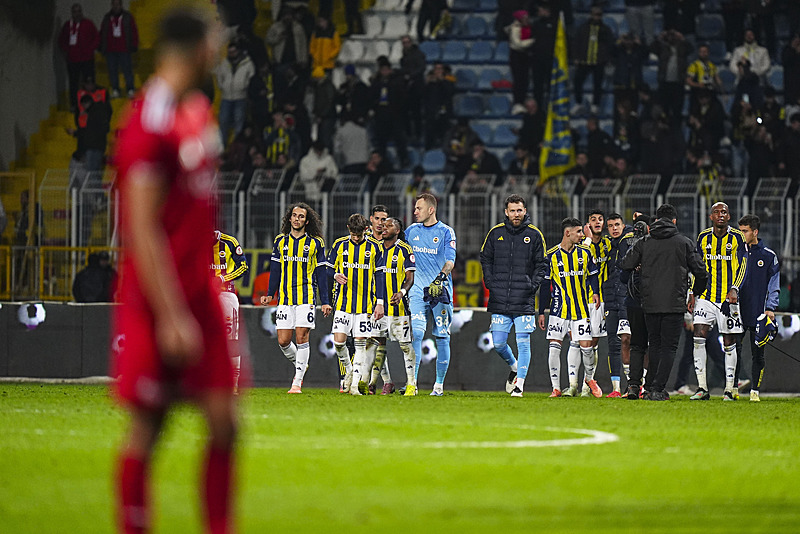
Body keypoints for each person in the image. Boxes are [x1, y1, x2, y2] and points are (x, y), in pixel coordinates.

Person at [111, 9, 237, 533]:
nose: (221, 45)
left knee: (225, 422)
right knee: (149, 426)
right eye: (216, 36)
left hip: (200, 293)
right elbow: (141, 227)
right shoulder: (148, 121)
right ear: (198, 45)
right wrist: (170, 314)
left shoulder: (198, 113)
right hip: (156, 299)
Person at [621, 204, 708, 401]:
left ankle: (648, 387)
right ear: (674, 221)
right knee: (669, 348)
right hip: (674, 304)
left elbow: (626, 264)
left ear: (657, 220)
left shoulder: (645, 242)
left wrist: (640, 267)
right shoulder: (684, 242)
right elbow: (702, 272)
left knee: (654, 345)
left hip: (649, 304)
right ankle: (657, 388)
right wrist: (694, 292)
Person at [480, 194, 547, 397]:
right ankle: (515, 367)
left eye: (519, 210)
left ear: (525, 211)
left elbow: (542, 264)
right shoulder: (495, 233)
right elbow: (485, 258)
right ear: (506, 212)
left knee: (523, 342)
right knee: (498, 343)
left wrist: (532, 285)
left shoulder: (534, 235)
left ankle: (520, 385)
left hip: (524, 298)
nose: (516, 214)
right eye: (512, 211)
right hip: (500, 298)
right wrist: (490, 283)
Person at [262, 203, 332, 393]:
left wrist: (325, 301)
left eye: (301, 216)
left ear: (306, 221)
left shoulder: (316, 243)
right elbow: (275, 270)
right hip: (285, 299)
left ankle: (297, 382)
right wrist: (270, 293)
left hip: (306, 297)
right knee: (283, 341)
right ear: (289, 218)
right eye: (294, 215)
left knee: (302, 336)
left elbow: (321, 273)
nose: (297, 219)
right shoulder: (280, 241)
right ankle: (301, 364)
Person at [538, 217, 602, 398]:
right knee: (554, 347)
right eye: (578, 231)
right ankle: (556, 388)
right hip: (558, 310)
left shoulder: (585, 252)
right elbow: (545, 285)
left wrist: (595, 292)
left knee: (587, 347)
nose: (582, 235)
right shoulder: (551, 255)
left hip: (580, 308)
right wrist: (542, 311)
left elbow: (593, 274)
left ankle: (589, 379)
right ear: (568, 233)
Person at [690, 202, 748, 401]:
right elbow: (697, 267)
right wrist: (692, 292)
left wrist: (735, 288)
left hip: (728, 299)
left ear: (729, 216)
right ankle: (702, 388)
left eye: (724, 212)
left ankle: (729, 389)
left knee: (729, 341)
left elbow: (743, 266)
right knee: (698, 336)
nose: (720, 215)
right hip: (706, 297)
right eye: (716, 212)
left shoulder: (737, 237)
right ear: (711, 217)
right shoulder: (703, 237)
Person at [405, 193, 456, 396]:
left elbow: (450, 261)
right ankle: (412, 383)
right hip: (417, 290)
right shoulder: (411, 231)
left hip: (439, 291)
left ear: (431, 210)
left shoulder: (446, 232)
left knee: (442, 337)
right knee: (416, 334)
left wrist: (441, 277)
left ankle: (438, 385)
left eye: (419, 208)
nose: (415, 212)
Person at [326, 214, 383, 395]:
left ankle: (354, 385)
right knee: (339, 343)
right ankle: (350, 372)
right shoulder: (339, 245)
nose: (356, 238)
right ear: (348, 229)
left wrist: (380, 303)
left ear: (366, 230)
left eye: (359, 234)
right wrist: (335, 275)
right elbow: (327, 269)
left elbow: (380, 276)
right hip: (343, 304)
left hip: (365, 306)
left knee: (360, 344)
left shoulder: (374, 247)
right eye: (353, 234)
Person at [373, 217, 419, 395]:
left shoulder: (405, 249)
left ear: (398, 230)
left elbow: (410, 278)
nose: (384, 227)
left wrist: (401, 293)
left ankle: (411, 384)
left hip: (399, 307)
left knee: (405, 346)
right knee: (378, 344)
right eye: (383, 225)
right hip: (378, 307)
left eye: (389, 225)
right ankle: (383, 382)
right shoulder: (375, 249)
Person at [736, 214, 779, 402]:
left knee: (758, 354)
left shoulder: (768, 256)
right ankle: (732, 388)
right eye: (740, 231)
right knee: (733, 352)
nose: (742, 234)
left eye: (745, 231)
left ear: (755, 232)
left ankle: (755, 391)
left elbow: (774, 284)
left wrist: (770, 308)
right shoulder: (736, 253)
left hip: (759, 312)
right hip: (737, 311)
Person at [211, 230, 249, 395]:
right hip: (203, 297)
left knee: (230, 339)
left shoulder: (229, 242)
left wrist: (223, 278)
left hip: (226, 294)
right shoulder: (194, 238)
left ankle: (233, 383)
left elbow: (243, 267)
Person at [602, 213, 634, 396]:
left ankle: (632, 384)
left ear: (623, 226)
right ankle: (616, 388)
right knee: (613, 343)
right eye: (611, 226)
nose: (614, 228)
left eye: (617, 225)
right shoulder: (607, 247)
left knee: (627, 340)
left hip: (626, 300)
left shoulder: (629, 242)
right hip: (610, 300)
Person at [365, 205, 394, 394]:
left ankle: (373, 382)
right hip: (364, 296)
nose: (380, 223)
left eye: (384, 220)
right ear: (371, 219)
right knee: (368, 340)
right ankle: (386, 381)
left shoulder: (390, 242)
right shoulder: (364, 241)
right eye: (377, 219)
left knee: (379, 339)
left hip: (384, 296)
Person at [572, 5, 614, 115]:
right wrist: (576, 57)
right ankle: (578, 103)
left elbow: (610, 45)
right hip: (584, 60)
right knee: (577, 81)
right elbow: (576, 42)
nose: (597, 17)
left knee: (598, 84)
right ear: (591, 15)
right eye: (595, 14)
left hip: (599, 61)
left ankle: (595, 105)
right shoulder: (583, 28)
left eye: (599, 15)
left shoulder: (606, 29)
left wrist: (607, 59)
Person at [58, 3, 99, 112]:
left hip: (87, 59)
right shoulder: (68, 26)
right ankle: (74, 105)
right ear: (72, 13)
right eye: (75, 12)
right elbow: (62, 40)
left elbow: (96, 38)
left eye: (79, 11)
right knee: (73, 83)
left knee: (89, 82)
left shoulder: (88, 24)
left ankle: (91, 104)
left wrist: (90, 49)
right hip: (73, 60)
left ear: (82, 12)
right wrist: (68, 51)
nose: (77, 14)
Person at [215, 41, 256, 146]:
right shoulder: (224, 63)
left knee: (239, 123)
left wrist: (244, 86)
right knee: (223, 121)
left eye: (234, 52)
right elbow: (219, 75)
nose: (232, 54)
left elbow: (251, 77)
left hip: (241, 97)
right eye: (230, 52)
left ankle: (237, 147)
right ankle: (223, 147)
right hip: (226, 97)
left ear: (238, 51)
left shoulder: (247, 63)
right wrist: (222, 86)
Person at [99, 0, 139, 99]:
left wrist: (134, 44)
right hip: (110, 50)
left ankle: (130, 89)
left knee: (127, 70)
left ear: (121, 5)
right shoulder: (107, 18)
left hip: (124, 48)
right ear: (111, 5)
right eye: (114, 4)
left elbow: (133, 30)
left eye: (118, 4)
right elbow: (102, 32)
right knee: (112, 71)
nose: (116, 7)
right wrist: (101, 46)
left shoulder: (127, 17)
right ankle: (115, 89)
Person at [507, 10, 534, 114]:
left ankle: (523, 101)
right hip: (516, 56)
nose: (527, 20)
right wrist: (533, 41)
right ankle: (517, 103)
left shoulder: (529, 27)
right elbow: (518, 44)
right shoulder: (515, 28)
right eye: (524, 18)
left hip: (525, 56)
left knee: (525, 80)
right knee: (518, 80)